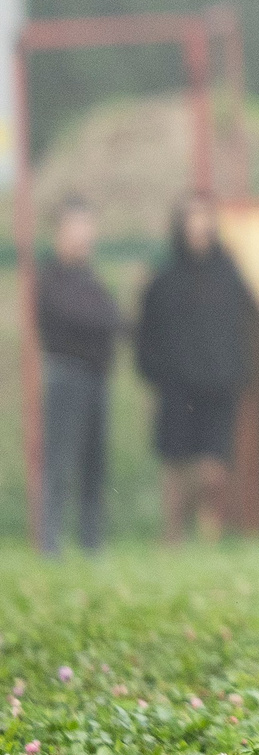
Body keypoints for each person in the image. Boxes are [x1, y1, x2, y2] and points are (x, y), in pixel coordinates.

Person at [134, 192, 257, 543]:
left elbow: (242, 330)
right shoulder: (164, 279)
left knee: (212, 472)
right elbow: (145, 333)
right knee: (175, 466)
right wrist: (154, 373)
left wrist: (238, 372)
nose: (200, 225)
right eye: (192, 217)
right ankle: (172, 535)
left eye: (205, 217)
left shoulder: (230, 275)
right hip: (177, 388)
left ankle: (209, 532)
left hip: (219, 386)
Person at [35, 196, 123, 556]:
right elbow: (87, 318)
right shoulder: (52, 277)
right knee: (59, 461)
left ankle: (90, 543)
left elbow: (111, 318)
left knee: (93, 463)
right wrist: (104, 319)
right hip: (65, 374)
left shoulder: (89, 278)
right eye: (76, 227)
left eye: (89, 227)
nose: (85, 236)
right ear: (60, 232)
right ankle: (50, 543)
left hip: (96, 376)